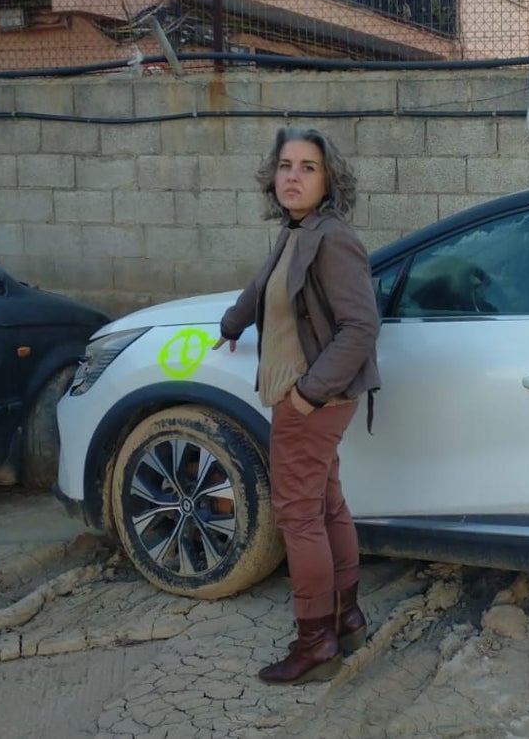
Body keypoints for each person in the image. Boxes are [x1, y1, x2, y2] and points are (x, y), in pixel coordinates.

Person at [217, 125, 381, 685]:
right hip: (308, 393)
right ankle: (347, 617)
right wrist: (233, 323)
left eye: (308, 167)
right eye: (286, 165)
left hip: (312, 395)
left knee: (298, 516)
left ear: (328, 178)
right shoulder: (296, 231)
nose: (293, 176)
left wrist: (309, 394)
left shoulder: (332, 237)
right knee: (327, 505)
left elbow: (361, 327)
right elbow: (266, 283)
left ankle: (314, 644)